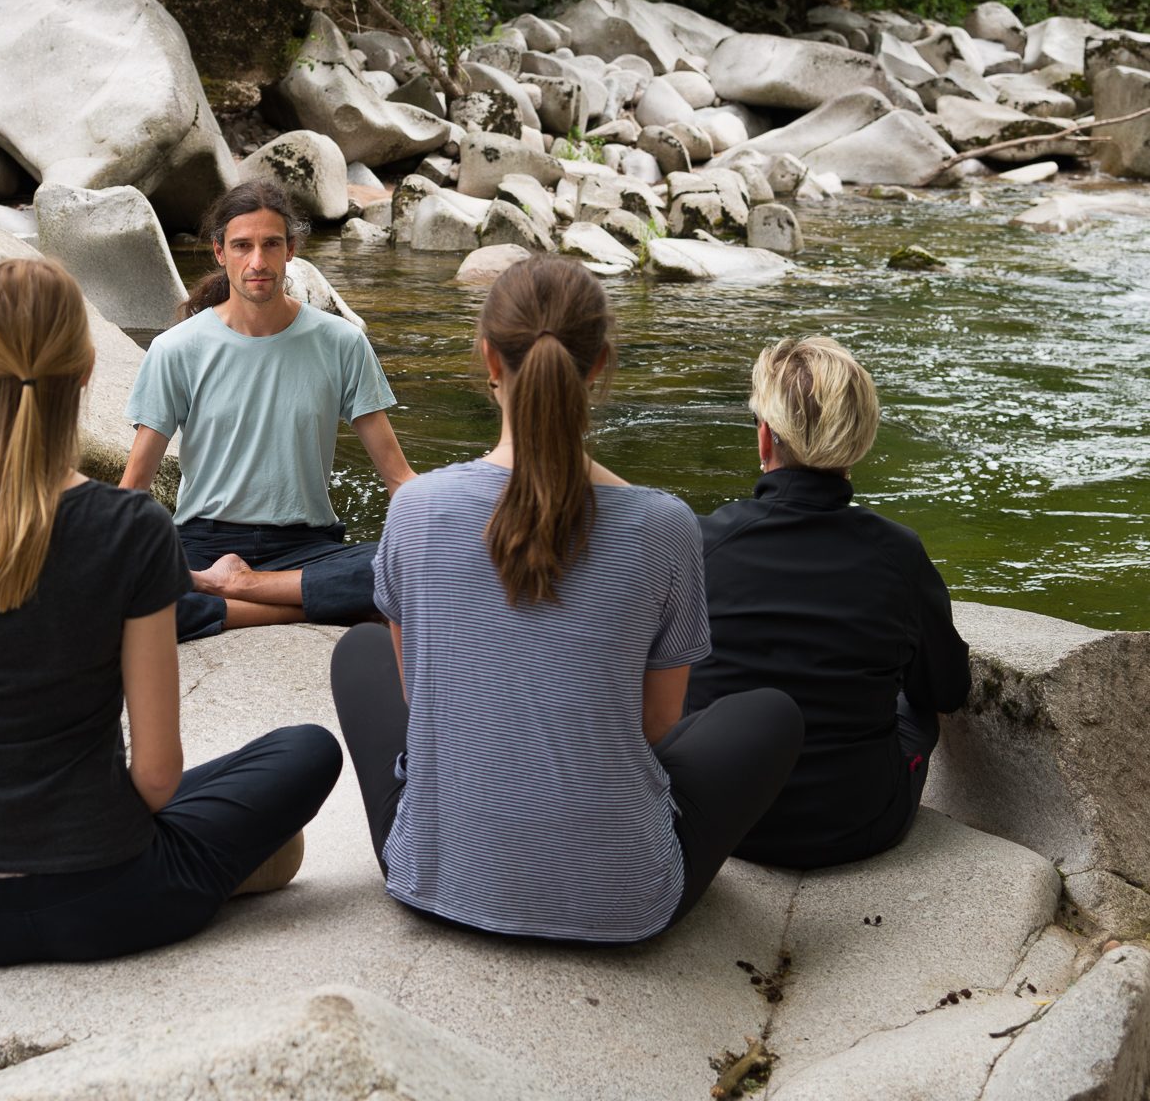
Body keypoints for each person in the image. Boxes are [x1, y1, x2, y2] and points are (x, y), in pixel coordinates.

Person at [0, 257, 342, 968]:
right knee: (309, 750)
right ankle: (218, 864)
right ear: (87, 370)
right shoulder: (131, 526)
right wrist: (77, 829)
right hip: (109, 900)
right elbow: (156, 776)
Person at [329, 255, 804, 943]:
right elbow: (657, 722)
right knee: (771, 716)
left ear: (489, 358)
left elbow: (418, 696)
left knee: (360, 649)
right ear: (601, 363)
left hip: (435, 881)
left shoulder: (417, 509)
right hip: (623, 901)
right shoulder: (665, 525)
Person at [685, 336, 970, 869]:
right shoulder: (898, 554)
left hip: (724, 821)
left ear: (765, 438)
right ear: (858, 442)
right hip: (858, 824)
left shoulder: (699, 541)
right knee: (917, 707)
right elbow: (947, 690)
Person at [118, 180, 416, 641]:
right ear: (219, 252)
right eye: (242, 246)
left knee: (402, 566)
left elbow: (398, 478)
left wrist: (454, 521)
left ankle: (243, 589)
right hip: (203, 546)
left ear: (290, 249)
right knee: (129, 593)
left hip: (307, 548)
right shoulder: (175, 349)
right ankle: (299, 606)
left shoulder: (341, 344)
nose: (257, 262)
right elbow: (134, 486)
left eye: (270, 244)